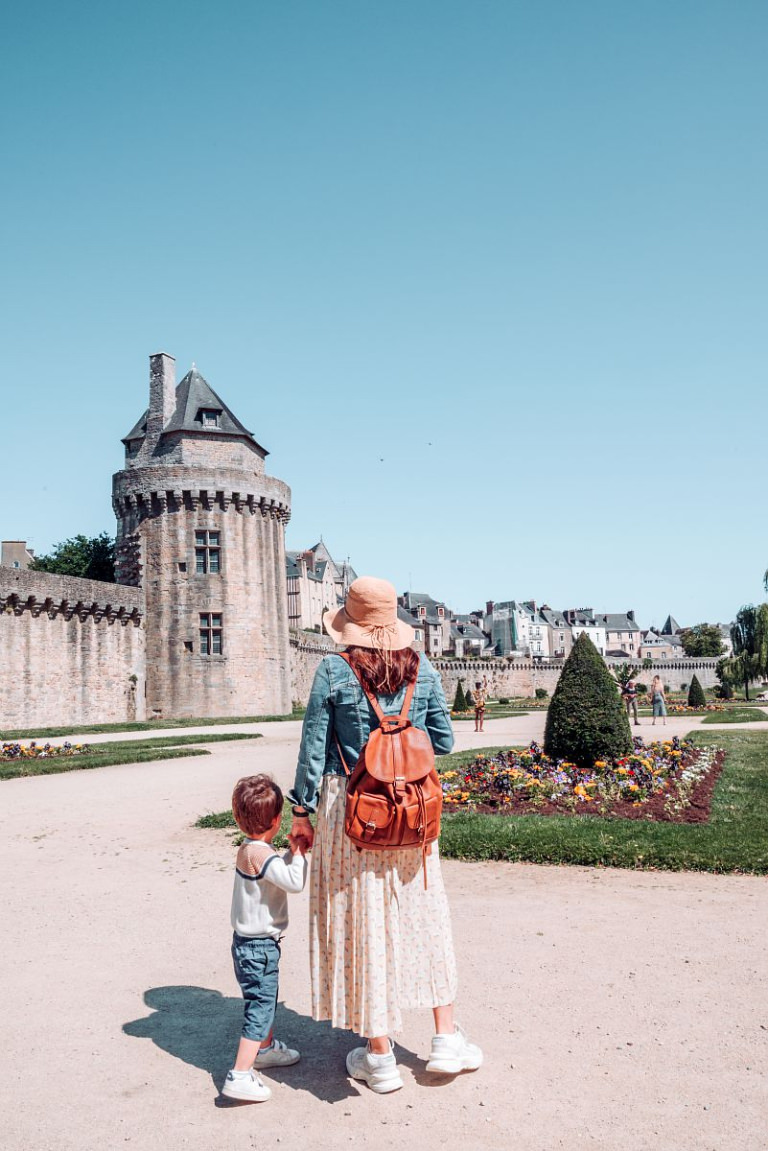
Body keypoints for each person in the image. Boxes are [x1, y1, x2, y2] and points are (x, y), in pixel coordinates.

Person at [288, 576, 482, 1094]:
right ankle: (444, 1040)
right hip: (412, 814)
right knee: (424, 915)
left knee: (361, 924)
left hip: (353, 811)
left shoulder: (332, 669)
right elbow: (442, 739)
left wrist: (301, 812)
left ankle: (379, 1056)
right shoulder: (423, 669)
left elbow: (312, 751)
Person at [221, 774, 308, 1103]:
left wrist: (286, 853)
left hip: (247, 945)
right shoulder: (261, 855)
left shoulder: (251, 849)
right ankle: (240, 1073)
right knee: (259, 1008)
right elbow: (293, 882)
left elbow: (273, 873)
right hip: (259, 948)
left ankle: (266, 1048)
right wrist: (297, 853)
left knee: (265, 1002)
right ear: (276, 820)